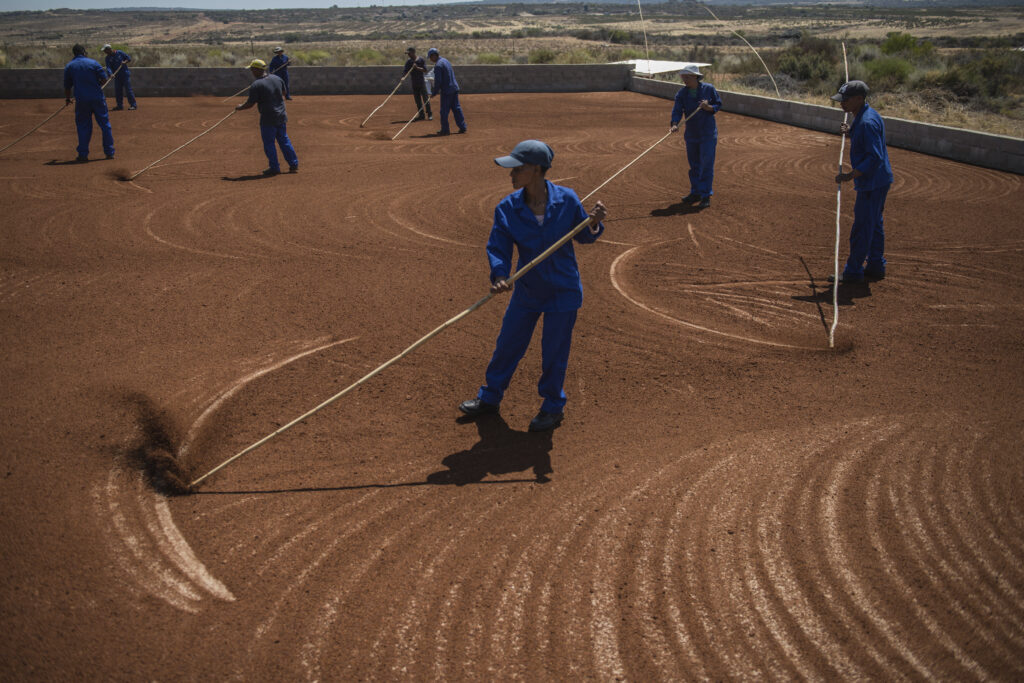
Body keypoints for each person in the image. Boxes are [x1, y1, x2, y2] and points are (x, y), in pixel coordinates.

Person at [458, 140, 607, 432]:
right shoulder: (508, 208)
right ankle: (490, 397)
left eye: (518, 168)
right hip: (527, 290)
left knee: (554, 352)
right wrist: (500, 274)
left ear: (537, 170)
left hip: (563, 291)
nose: (511, 175)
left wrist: (593, 223)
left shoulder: (566, 200)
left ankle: (552, 406)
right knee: (508, 344)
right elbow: (498, 246)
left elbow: (585, 237)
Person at [832, 80, 894, 284]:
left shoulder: (867, 122)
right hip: (879, 180)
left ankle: (853, 271)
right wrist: (850, 132)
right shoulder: (864, 117)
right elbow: (867, 143)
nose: (842, 104)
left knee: (862, 227)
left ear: (859, 99)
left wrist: (850, 175)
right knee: (874, 224)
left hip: (872, 183)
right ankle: (876, 265)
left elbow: (874, 157)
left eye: (846, 100)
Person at [234, 59, 298, 176]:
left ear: (258, 70)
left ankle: (274, 167)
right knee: (284, 140)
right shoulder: (277, 78)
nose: (252, 72)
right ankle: (293, 164)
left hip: (268, 118)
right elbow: (284, 93)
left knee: (269, 143)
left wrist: (240, 107)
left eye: (253, 69)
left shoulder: (256, 85)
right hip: (281, 115)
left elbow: (250, 104)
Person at [669, 66, 722, 209]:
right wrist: (675, 124)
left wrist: (708, 107)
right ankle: (696, 192)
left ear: (695, 77)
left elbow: (718, 105)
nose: (684, 80)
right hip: (692, 135)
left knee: (706, 165)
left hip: (707, 134)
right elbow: (677, 110)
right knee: (694, 165)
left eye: (687, 77)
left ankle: (705, 195)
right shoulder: (682, 93)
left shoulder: (709, 89)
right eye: (683, 77)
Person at [63, 44, 114, 162]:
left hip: (81, 100)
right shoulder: (94, 63)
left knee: (83, 127)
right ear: (84, 52)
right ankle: (109, 152)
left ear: (74, 54)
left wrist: (67, 99)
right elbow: (104, 79)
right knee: (105, 125)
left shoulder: (70, 66)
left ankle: (83, 154)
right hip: (97, 98)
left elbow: (67, 86)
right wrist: (96, 87)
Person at [426, 47, 466, 136]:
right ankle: (463, 127)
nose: (431, 60)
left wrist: (434, 93)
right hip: (454, 88)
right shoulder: (445, 61)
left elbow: (438, 81)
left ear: (434, 56)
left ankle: (445, 130)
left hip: (447, 91)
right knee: (456, 108)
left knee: (444, 111)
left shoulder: (438, 66)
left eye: (431, 57)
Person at [102, 44, 136, 111]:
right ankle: (119, 106)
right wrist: (110, 74)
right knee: (118, 91)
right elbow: (108, 67)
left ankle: (133, 105)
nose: (104, 52)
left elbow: (129, 58)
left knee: (128, 90)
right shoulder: (107, 58)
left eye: (105, 50)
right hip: (117, 76)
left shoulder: (120, 53)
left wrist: (125, 62)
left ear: (109, 49)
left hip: (125, 74)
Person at [404, 47, 432, 121]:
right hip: (414, 83)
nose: (408, 55)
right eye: (408, 54)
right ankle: (421, 115)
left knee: (426, 99)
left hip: (421, 83)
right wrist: (403, 77)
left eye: (409, 53)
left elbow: (425, 70)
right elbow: (405, 71)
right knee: (418, 101)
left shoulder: (421, 60)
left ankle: (429, 114)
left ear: (413, 52)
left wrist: (417, 68)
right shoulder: (409, 62)